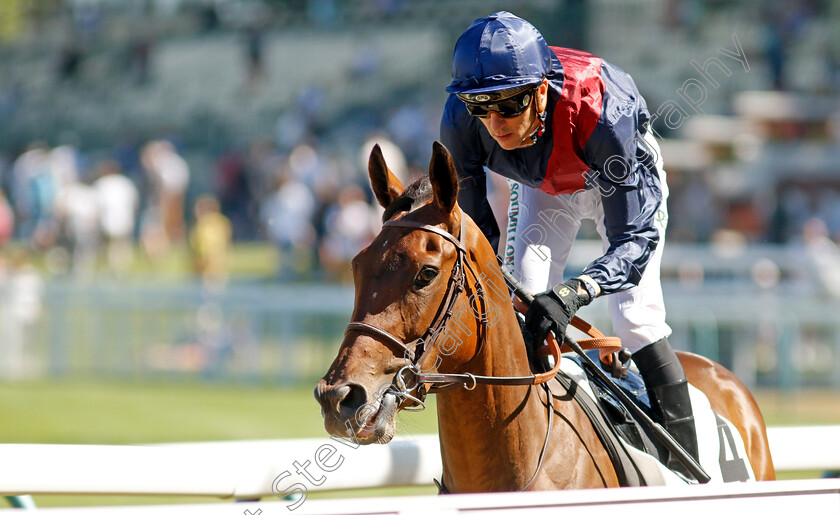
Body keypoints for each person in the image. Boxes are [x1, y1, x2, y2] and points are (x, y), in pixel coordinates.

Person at [440, 11, 696, 476]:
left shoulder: (603, 109)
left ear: (540, 91)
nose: (494, 123)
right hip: (544, 185)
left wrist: (575, 292)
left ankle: (687, 467)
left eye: (509, 106)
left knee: (634, 317)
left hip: (613, 174)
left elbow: (633, 242)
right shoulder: (460, 116)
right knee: (523, 301)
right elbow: (476, 234)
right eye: (481, 107)